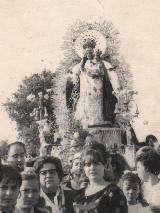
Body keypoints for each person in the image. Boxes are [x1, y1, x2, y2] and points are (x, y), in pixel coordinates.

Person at [67, 38, 119, 128]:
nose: (89, 53)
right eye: (87, 52)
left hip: (97, 85)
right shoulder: (83, 63)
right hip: (87, 86)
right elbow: (80, 74)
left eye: (90, 51)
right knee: (87, 102)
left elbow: (102, 72)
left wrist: (94, 73)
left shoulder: (98, 61)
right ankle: (89, 121)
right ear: (85, 53)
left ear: (93, 51)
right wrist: (85, 71)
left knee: (97, 101)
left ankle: (98, 119)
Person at [73, 142, 128, 213]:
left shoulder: (114, 192)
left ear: (105, 165)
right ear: (84, 168)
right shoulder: (79, 195)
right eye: (88, 164)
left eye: (96, 163)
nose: (92, 168)